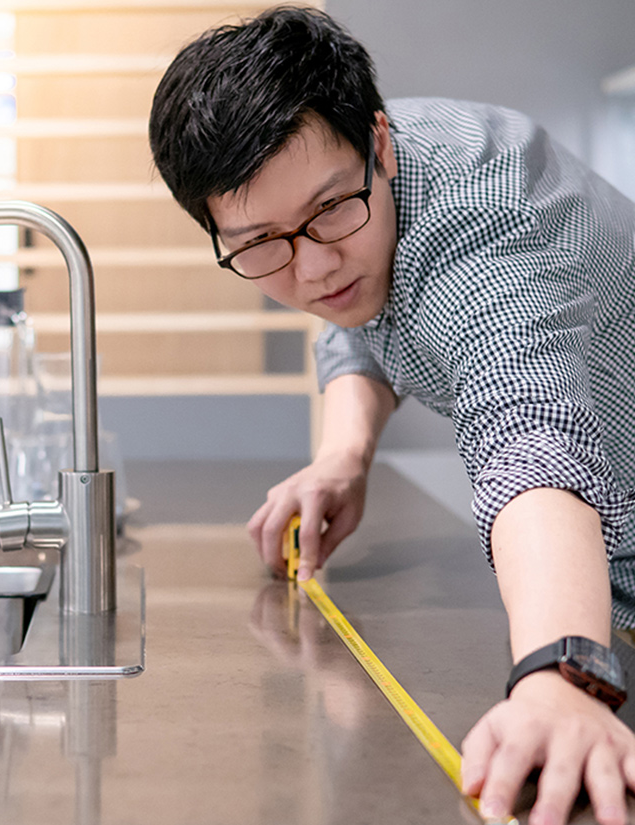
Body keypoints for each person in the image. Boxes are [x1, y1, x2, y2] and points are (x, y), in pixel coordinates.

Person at [148, 6, 635, 825]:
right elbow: (359, 318)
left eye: (331, 211)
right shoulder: (340, 172)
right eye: (261, 243)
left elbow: (531, 438)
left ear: (379, 146)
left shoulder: (482, 237)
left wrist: (565, 678)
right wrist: (346, 452)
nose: (312, 264)